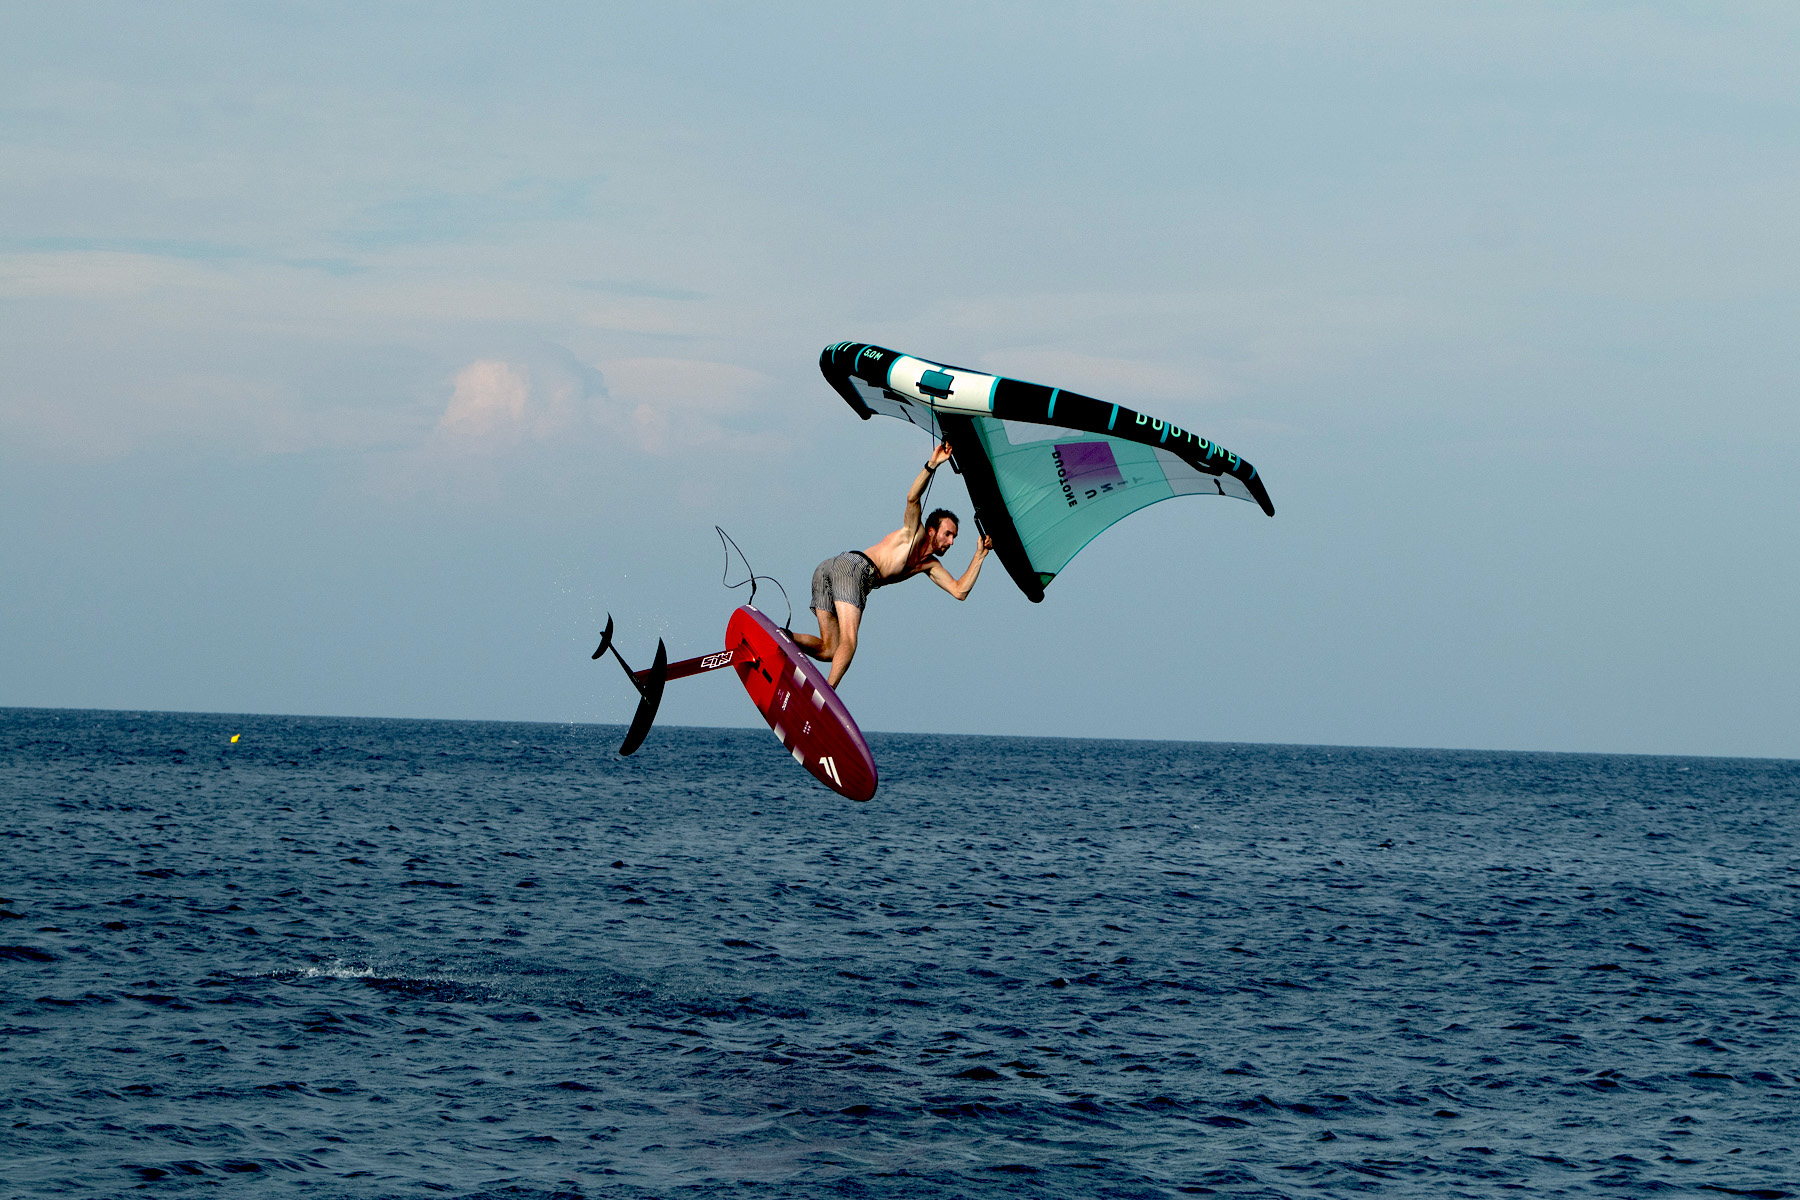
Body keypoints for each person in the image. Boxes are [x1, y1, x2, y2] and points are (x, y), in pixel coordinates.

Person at [794, 440, 993, 688]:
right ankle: (824, 698)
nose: (951, 542)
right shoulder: (914, 532)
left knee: (830, 650)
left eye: (954, 537)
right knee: (850, 642)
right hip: (854, 569)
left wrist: (980, 555)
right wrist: (933, 464)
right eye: (948, 534)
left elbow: (959, 591)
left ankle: (781, 637)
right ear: (932, 531)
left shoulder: (929, 565)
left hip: (829, 568)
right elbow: (912, 498)